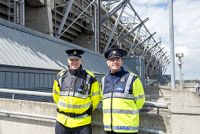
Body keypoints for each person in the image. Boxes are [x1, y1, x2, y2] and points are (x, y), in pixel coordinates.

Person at [52, 48, 100, 134]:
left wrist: (90, 109)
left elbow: (96, 97)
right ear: (68, 60)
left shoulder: (90, 77)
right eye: (71, 60)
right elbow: (55, 95)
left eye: (76, 60)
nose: (74, 62)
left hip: (82, 123)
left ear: (81, 60)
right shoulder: (60, 76)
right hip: (63, 122)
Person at [101, 48, 145, 134]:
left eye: (117, 59)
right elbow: (102, 100)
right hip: (109, 129)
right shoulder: (104, 80)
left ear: (122, 61)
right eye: (112, 59)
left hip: (127, 128)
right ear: (108, 63)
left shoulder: (132, 78)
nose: (115, 62)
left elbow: (140, 102)